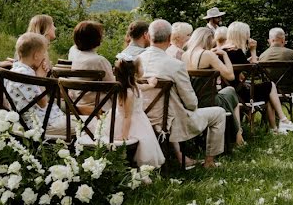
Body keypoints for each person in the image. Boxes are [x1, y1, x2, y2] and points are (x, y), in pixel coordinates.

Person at [139, 19, 227, 169]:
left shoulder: (137, 60)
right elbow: (192, 103)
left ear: (148, 36)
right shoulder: (175, 65)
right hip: (172, 123)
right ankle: (209, 162)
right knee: (219, 113)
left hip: (142, 120)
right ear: (169, 38)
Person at [222, 21, 293, 133]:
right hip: (241, 94)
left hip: (227, 91)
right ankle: (282, 121)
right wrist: (253, 51)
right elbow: (255, 70)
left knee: (268, 91)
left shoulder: (222, 51)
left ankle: (275, 128)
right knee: (270, 86)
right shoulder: (237, 52)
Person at [183, 26, 245, 146]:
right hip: (210, 101)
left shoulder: (184, 55)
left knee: (228, 93)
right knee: (231, 91)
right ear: (208, 39)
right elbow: (230, 76)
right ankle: (238, 135)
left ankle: (236, 134)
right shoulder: (207, 55)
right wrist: (224, 55)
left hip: (191, 101)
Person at [103, 55, 165, 168]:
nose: (142, 68)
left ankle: (134, 165)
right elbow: (127, 116)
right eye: (141, 66)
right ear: (134, 72)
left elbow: (143, 87)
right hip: (128, 122)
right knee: (144, 141)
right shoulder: (129, 93)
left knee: (145, 142)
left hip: (136, 118)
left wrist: (151, 84)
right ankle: (131, 164)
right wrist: (124, 136)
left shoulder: (133, 86)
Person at [258, 27, 293, 125]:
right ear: (283, 40)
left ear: (270, 40)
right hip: (291, 89)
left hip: (271, 92)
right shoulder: (290, 53)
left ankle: (274, 123)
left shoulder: (263, 56)